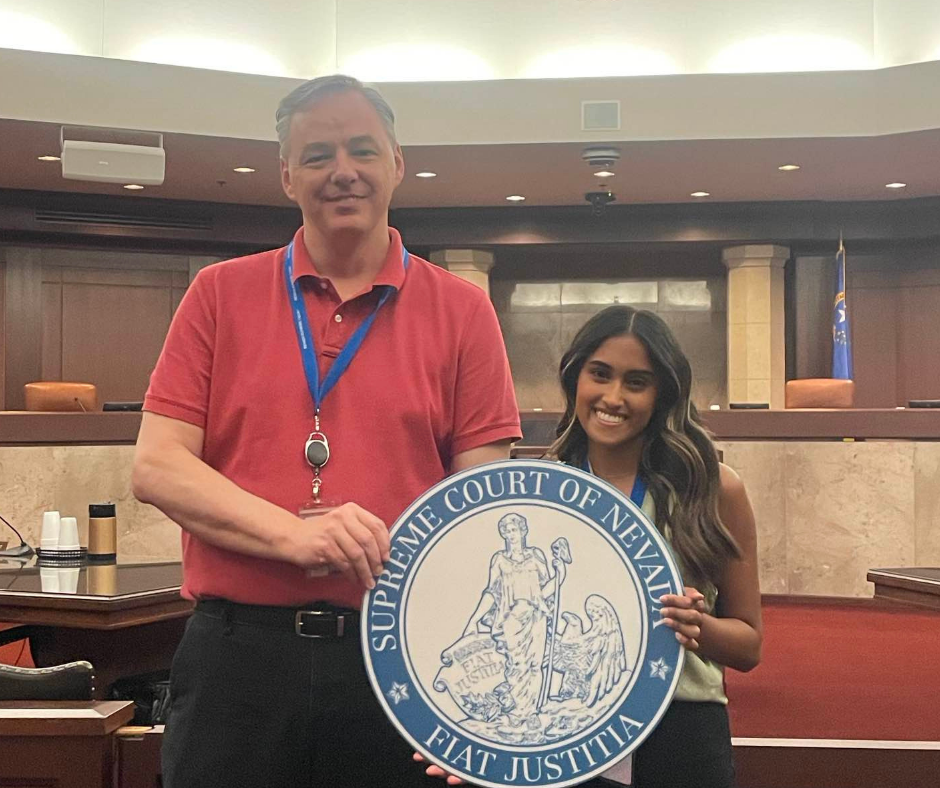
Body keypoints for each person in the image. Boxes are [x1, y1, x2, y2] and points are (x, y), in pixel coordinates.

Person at [132, 74, 521, 788]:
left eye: (362, 149)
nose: (343, 170)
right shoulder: (218, 295)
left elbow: (483, 511)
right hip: (237, 664)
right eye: (317, 155)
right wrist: (297, 535)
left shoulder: (465, 313)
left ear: (396, 165)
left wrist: (474, 712)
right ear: (287, 175)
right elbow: (157, 466)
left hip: (400, 658)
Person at [423, 305, 762, 788]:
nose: (613, 397)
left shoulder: (711, 488)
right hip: (568, 740)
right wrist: (480, 750)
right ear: (574, 377)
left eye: (636, 382)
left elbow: (749, 645)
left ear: (662, 392)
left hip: (680, 737)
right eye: (599, 374)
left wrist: (697, 626)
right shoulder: (537, 492)